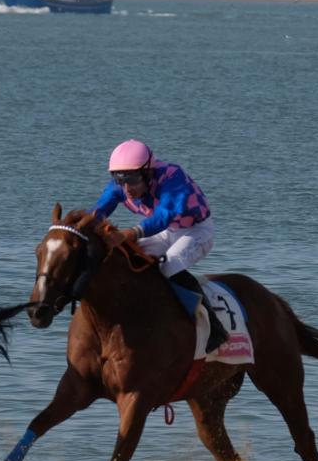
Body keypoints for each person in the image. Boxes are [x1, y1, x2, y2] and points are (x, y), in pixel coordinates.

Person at [92, 139, 229, 352]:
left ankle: (215, 328)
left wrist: (131, 233)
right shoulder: (122, 186)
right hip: (166, 232)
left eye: (133, 180)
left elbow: (164, 216)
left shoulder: (172, 176)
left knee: (168, 264)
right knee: (129, 258)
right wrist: (80, 229)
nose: (127, 189)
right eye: (120, 180)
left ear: (148, 173)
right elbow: (99, 211)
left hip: (196, 230)